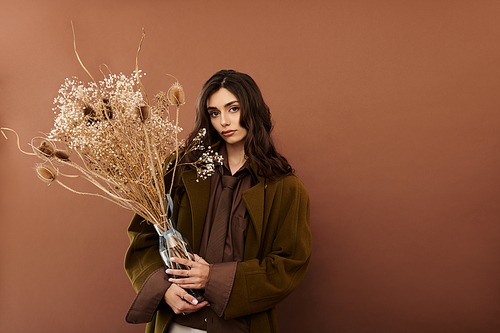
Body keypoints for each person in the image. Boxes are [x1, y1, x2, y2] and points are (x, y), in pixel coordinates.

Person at [124, 70, 312, 333]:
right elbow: (142, 236)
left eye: (233, 109)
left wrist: (213, 278)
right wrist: (164, 290)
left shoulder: (285, 189)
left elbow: (288, 265)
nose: (224, 121)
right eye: (214, 113)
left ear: (252, 110)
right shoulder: (180, 169)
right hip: (175, 325)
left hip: (241, 326)